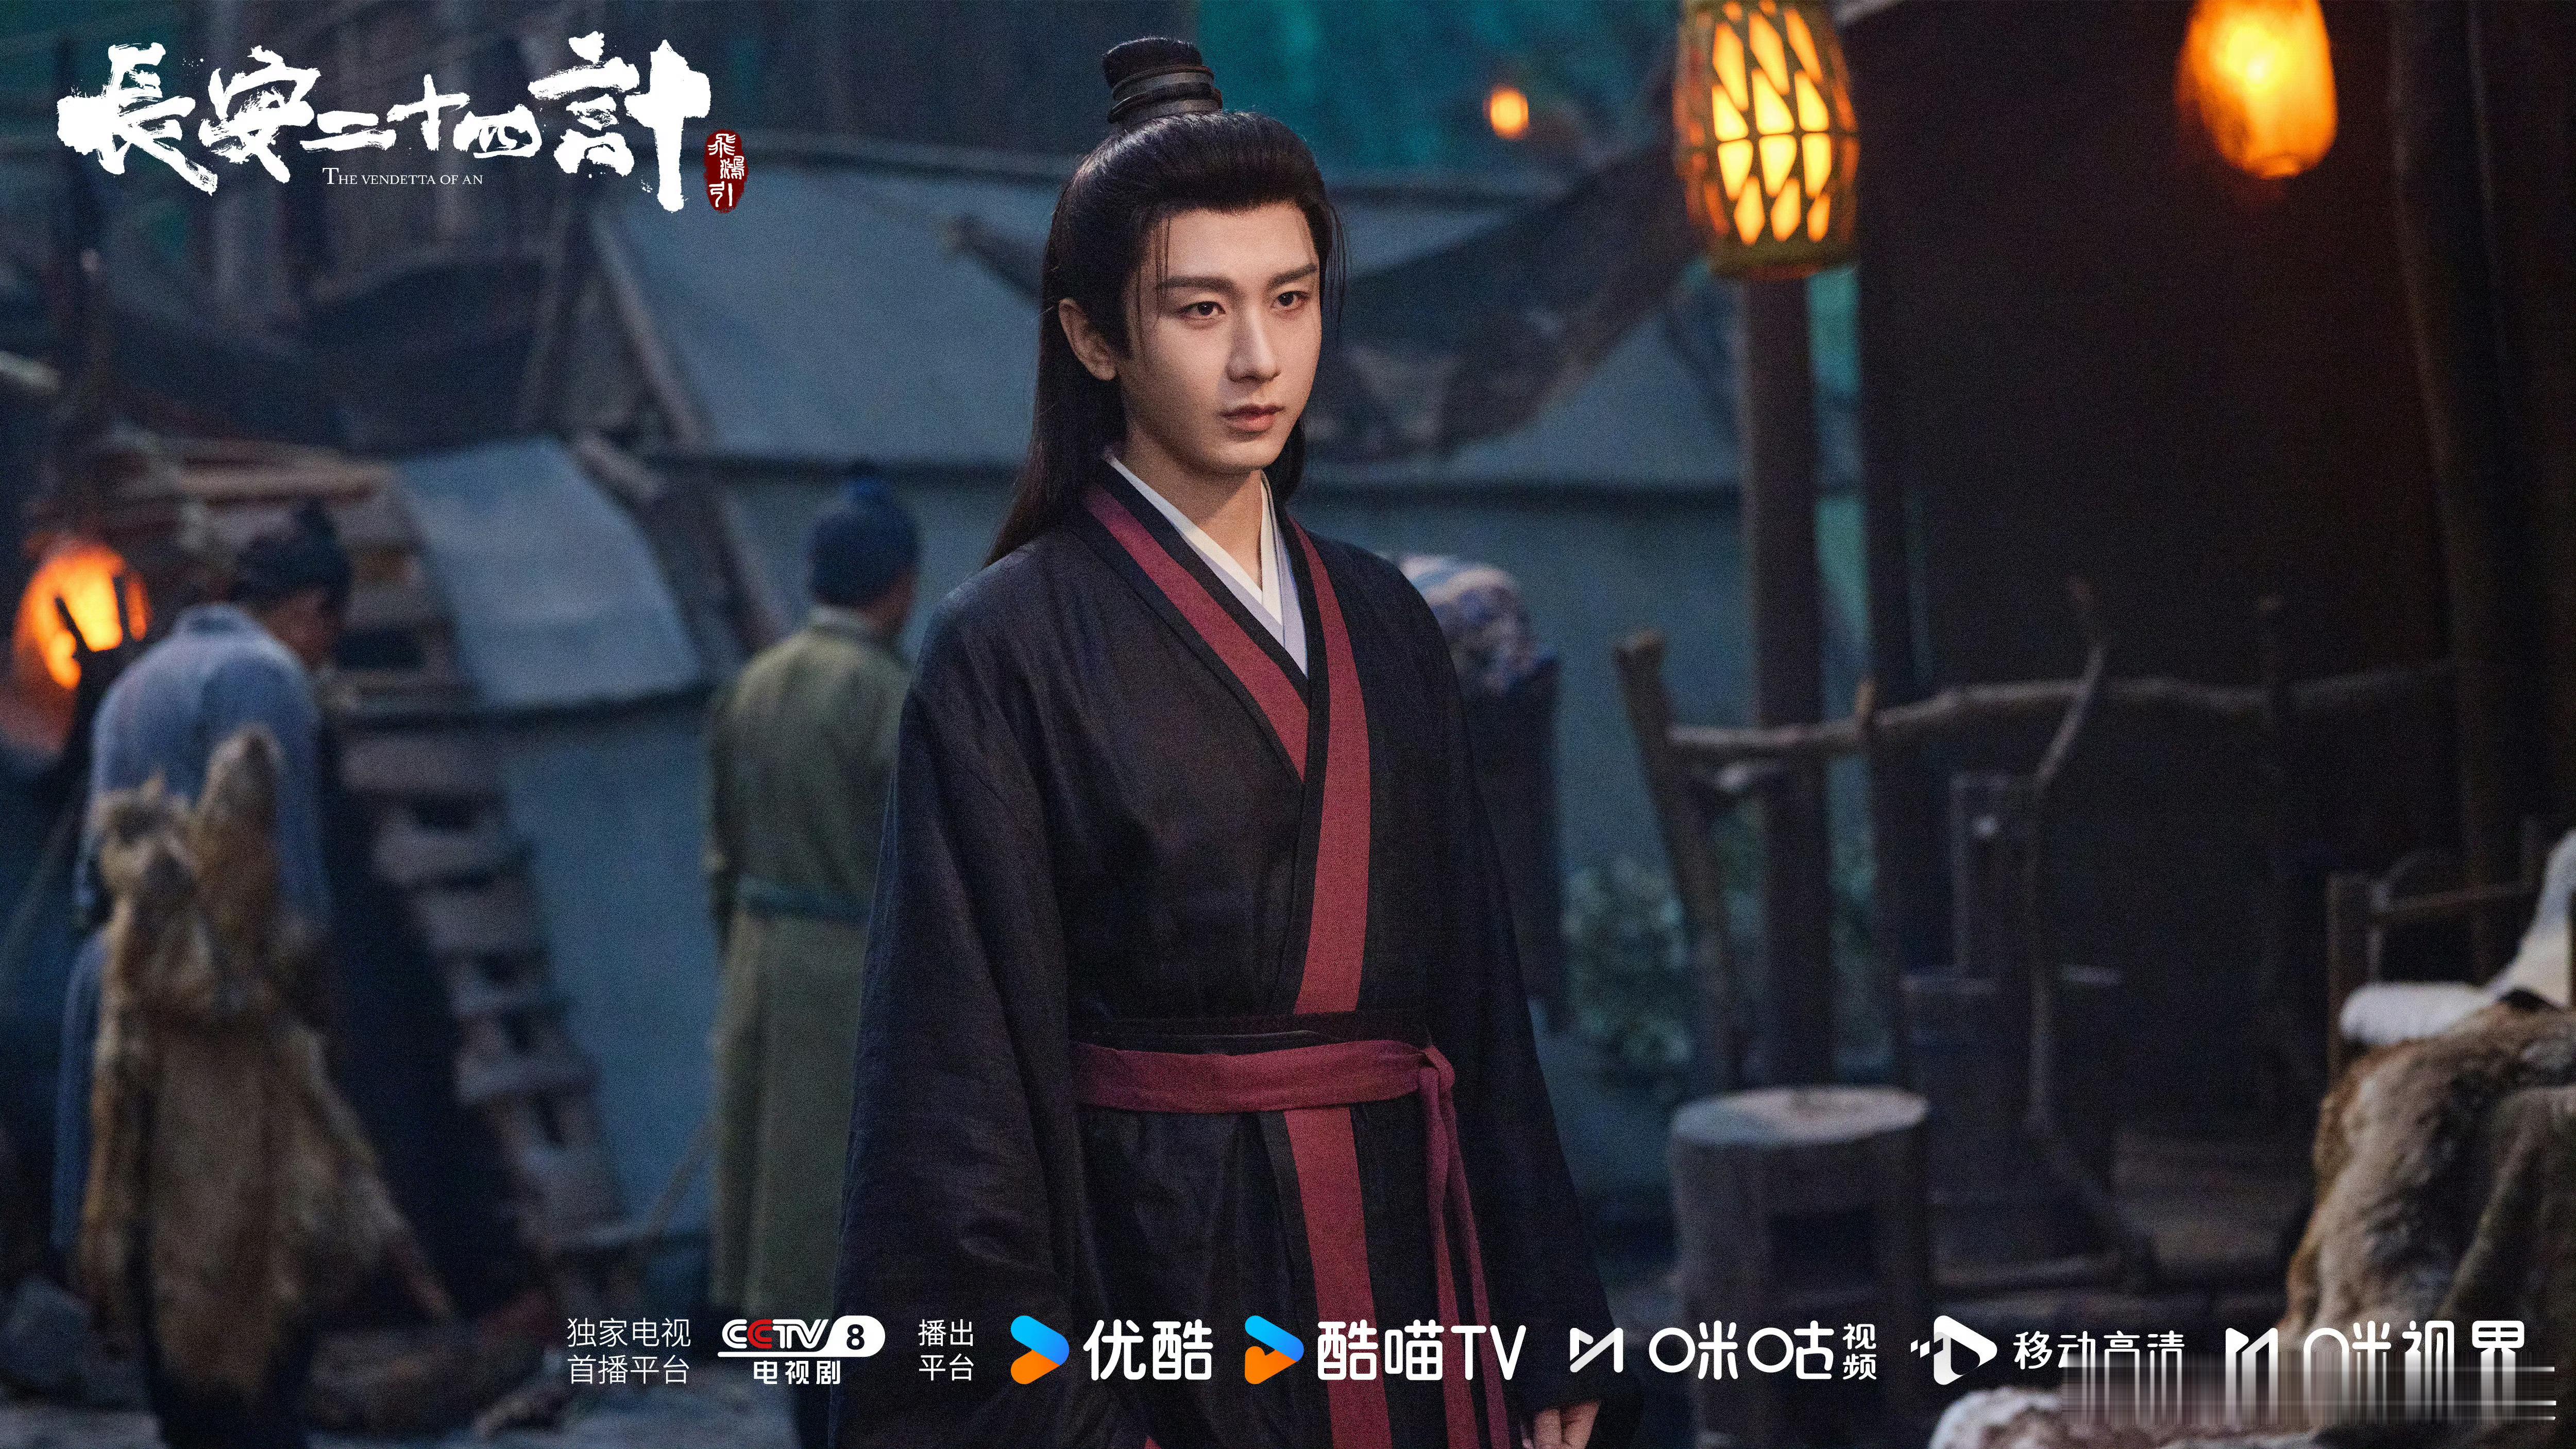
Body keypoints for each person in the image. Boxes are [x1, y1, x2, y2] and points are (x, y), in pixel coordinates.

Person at [830, 38, 1634, 1449]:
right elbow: (953, 1093)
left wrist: (1546, 1307)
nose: (1259, 357)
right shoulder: (1004, 650)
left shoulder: (1387, 621)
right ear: (1094, 337)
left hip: (1413, 1281)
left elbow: (1478, 1005)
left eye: (1292, 298)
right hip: (1176, 1293)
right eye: (1201, 308)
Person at [52, 498, 349, 1447]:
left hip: (117, 984)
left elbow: (90, 879)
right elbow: (287, 879)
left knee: (149, 1244)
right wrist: (311, 998)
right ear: (312, 610)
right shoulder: (265, 677)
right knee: (240, 1251)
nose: (324, 659)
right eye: (329, 636)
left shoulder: (138, 682)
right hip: (210, 1007)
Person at [703, 466, 917, 1449]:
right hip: (855, 984)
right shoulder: (890, 696)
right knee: (861, 1228)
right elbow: (929, 872)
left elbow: (721, 862)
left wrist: (749, 966)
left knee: (789, 1242)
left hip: (762, 973)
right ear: (899, 586)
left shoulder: (750, 687)